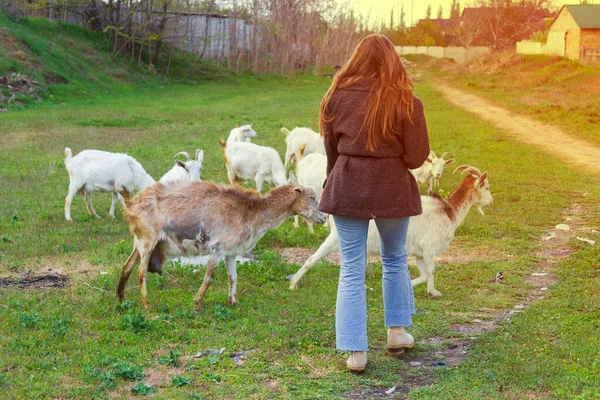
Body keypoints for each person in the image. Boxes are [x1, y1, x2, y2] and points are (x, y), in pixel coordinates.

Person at [318, 34, 430, 373]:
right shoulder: (408, 101)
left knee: (351, 268)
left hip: (347, 185)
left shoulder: (335, 97)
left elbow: (332, 151)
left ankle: (356, 354)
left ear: (356, 60)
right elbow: (415, 158)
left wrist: (335, 176)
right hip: (392, 188)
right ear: (393, 62)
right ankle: (396, 333)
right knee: (394, 257)